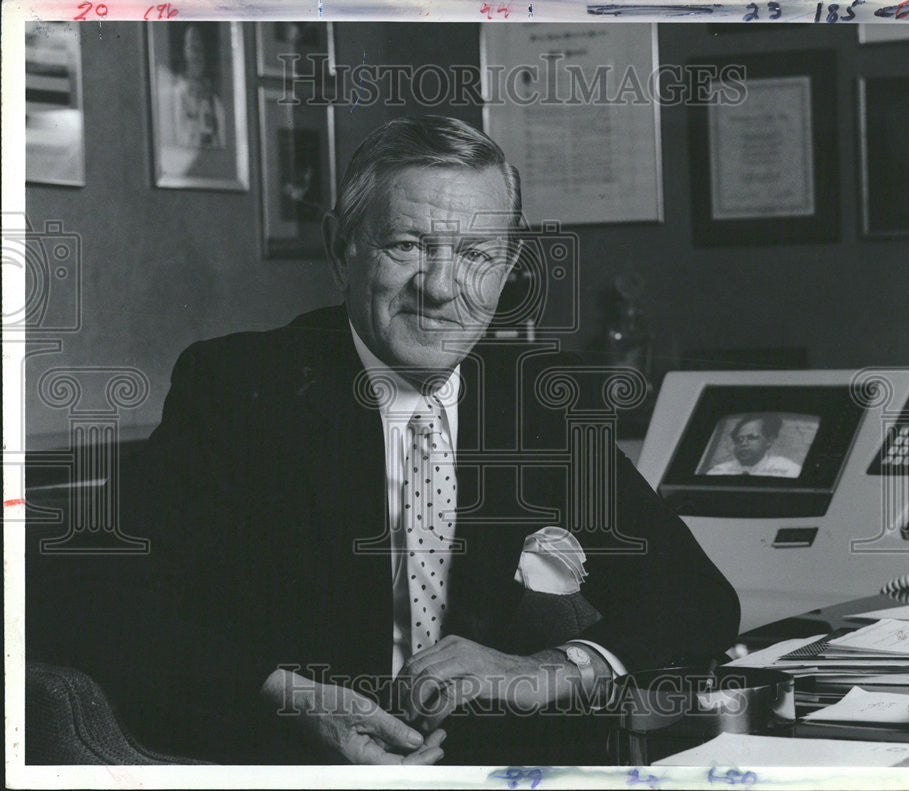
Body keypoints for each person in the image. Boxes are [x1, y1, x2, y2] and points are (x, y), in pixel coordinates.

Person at [35, 116, 739, 765]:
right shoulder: (242, 387)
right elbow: (90, 596)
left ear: (509, 266)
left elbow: (695, 598)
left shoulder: (536, 400)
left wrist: (549, 669)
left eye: (476, 254)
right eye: (406, 245)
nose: (440, 288)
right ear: (342, 249)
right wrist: (292, 695)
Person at [170, 24, 225, 148]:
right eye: (193, 48)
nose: (197, 56)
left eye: (200, 50)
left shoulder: (214, 102)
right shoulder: (176, 95)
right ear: (184, 52)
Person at [707, 414, 802, 478]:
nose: (743, 443)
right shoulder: (718, 471)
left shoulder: (789, 469)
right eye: (739, 439)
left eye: (752, 437)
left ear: (769, 441)